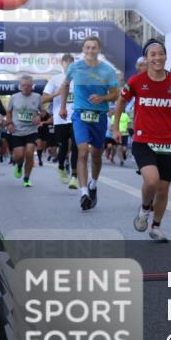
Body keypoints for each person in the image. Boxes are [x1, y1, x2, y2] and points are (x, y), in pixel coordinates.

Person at [112, 39, 171, 243]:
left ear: (166, 56)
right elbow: (121, 101)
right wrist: (116, 127)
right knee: (151, 180)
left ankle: (156, 226)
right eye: (153, 54)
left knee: (163, 188)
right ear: (147, 58)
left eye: (161, 54)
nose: (157, 58)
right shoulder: (136, 81)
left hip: (167, 141)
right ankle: (144, 208)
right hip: (144, 139)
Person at [59, 36, 119, 210]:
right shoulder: (75, 67)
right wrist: (63, 107)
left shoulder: (108, 70)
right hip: (80, 115)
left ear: (99, 49)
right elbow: (65, 85)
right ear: (83, 50)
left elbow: (115, 94)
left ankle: (93, 184)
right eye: (87, 48)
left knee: (96, 155)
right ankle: (84, 192)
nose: (90, 51)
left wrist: (103, 97)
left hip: (99, 116)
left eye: (94, 48)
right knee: (83, 151)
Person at [43, 53, 76, 185]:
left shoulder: (79, 78)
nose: (69, 65)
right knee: (62, 147)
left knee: (76, 146)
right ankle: (61, 167)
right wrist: (58, 93)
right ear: (62, 64)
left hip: (76, 118)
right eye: (66, 62)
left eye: (71, 63)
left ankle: (74, 176)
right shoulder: (55, 79)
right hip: (60, 118)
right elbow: (43, 99)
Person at [5, 75, 43, 188]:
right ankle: (19, 165)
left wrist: (39, 117)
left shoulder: (37, 97)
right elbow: (8, 112)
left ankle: (26, 178)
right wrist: (10, 123)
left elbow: (43, 111)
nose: (26, 87)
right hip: (17, 131)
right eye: (23, 85)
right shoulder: (14, 97)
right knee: (19, 155)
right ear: (20, 86)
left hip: (32, 130)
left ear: (32, 86)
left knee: (29, 153)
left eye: (28, 85)